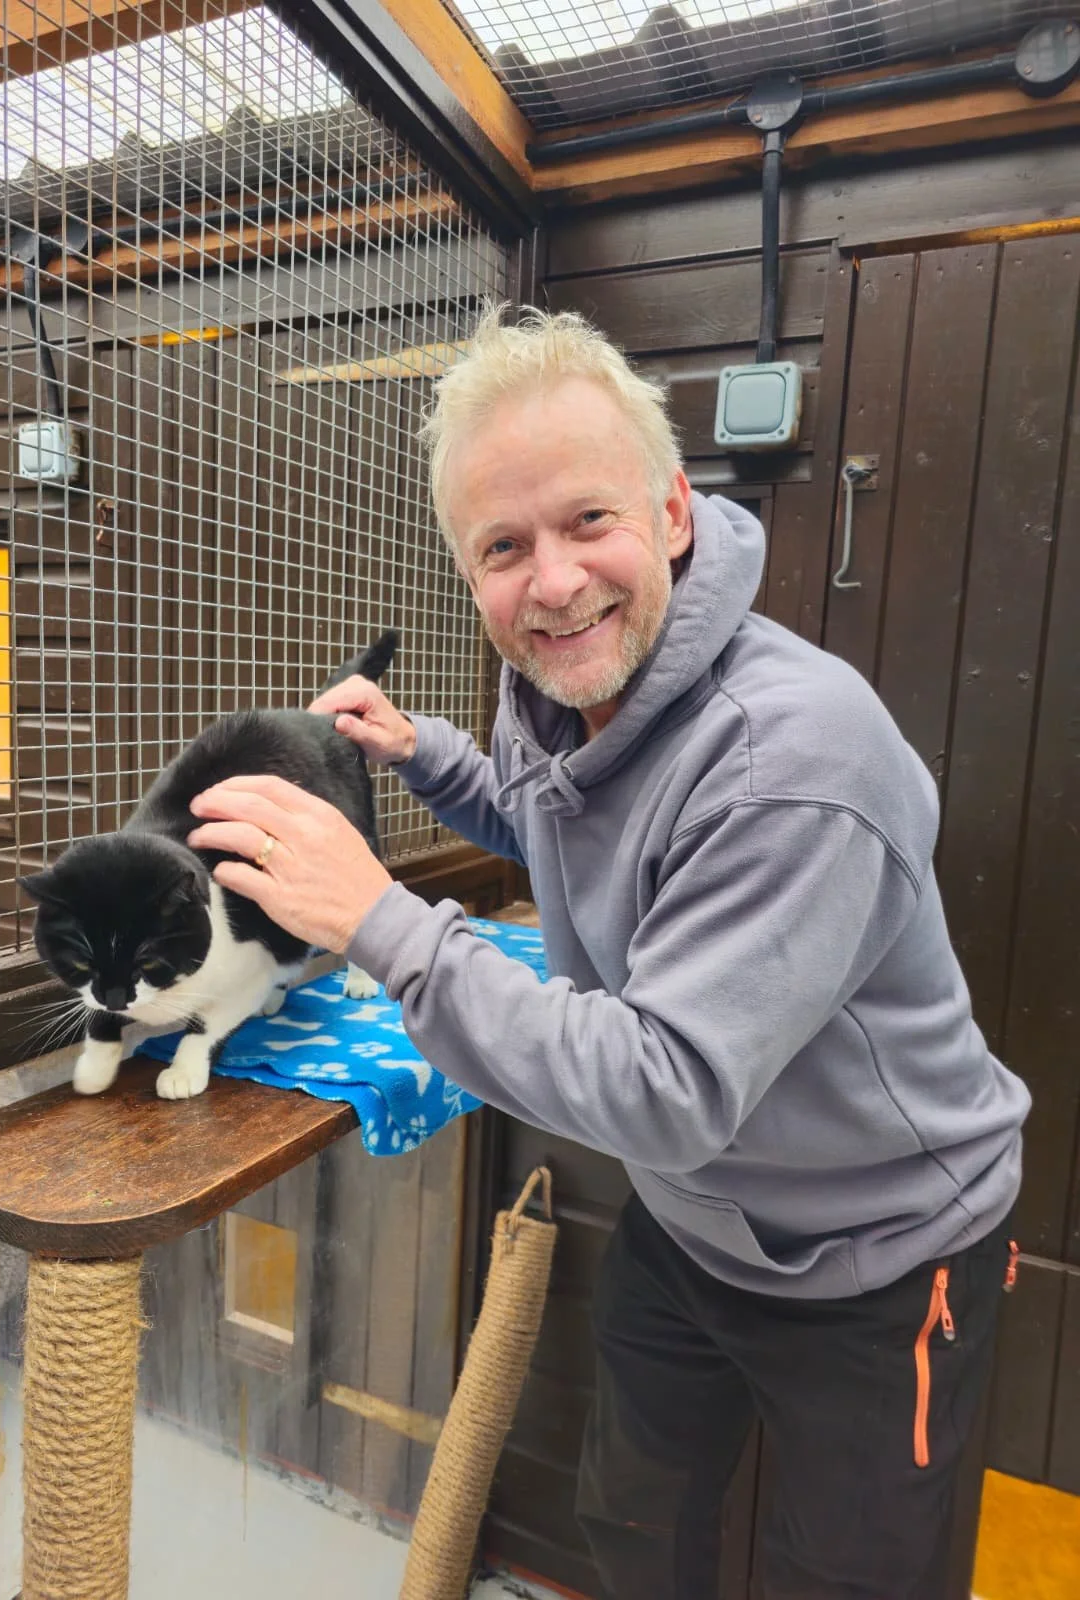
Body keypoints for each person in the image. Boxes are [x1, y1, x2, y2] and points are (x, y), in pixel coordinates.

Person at [187, 305, 1031, 1599]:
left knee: (858, 1581)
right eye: (505, 547)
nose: (557, 581)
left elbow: (665, 1086)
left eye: (591, 522)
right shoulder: (568, 689)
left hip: (884, 1254)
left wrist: (376, 917)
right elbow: (559, 819)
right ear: (472, 576)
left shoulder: (795, 758)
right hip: (695, 1227)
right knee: (632, 1533)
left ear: (675, 514)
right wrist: (430, 759)